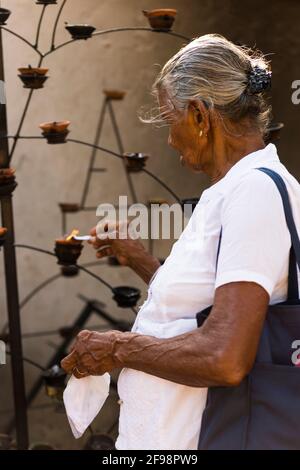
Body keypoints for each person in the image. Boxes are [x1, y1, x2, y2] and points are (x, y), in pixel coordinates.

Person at [61, 34, 300, 450]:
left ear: (200, 116)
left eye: (170, 121)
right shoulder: (233, 190)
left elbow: (224, 357)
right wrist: (137, 258)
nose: (171, 140)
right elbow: (206, 309)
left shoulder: (255, 192)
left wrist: (118, 347)